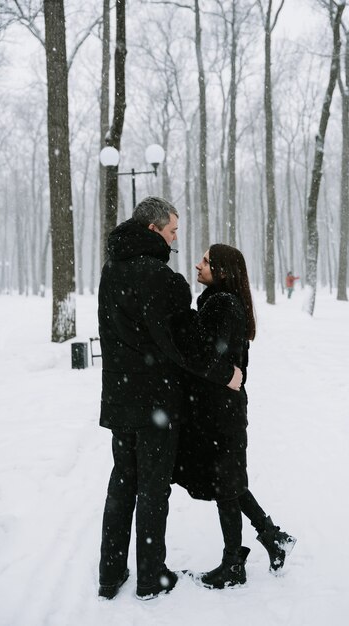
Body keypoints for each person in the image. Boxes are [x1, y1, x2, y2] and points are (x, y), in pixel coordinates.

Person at [97, 197, 242, 601]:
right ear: (153, 229)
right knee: (153, 488)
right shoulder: (161, 278)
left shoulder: (111, 271)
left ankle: (110, 574)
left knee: (122, 484)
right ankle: (150, 577)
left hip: (120, 398)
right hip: (156, 404)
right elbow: (185, 345)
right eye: (173, 230)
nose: (176, 238)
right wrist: (225, 373)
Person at [173, 244, 296, 589]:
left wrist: (224, 373)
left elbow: (209, 356)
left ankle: (233, 565)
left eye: (206, 261)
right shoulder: (218, 301)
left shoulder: (222, 304)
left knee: (226, 485)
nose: (198, 265)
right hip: (218, 409)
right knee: (229, 481)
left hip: (220, 412)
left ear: (222, 271)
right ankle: (272, 538)